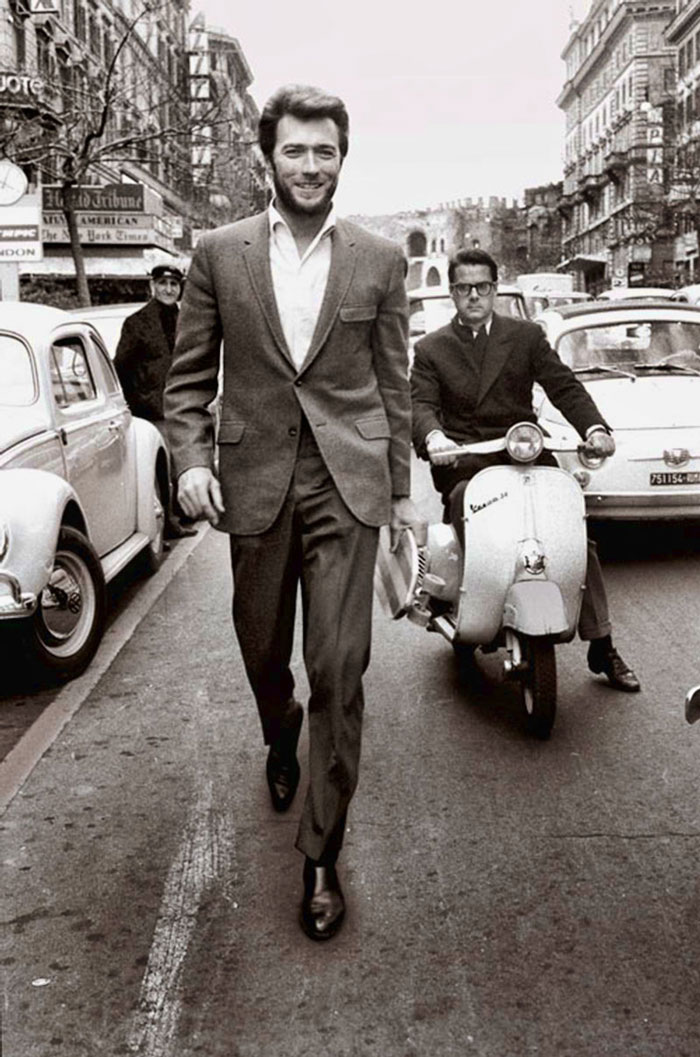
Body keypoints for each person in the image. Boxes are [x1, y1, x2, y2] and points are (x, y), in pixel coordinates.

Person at [164, 84, 423, 941]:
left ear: (342, 158)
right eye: (294, 151)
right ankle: (280, 730)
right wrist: (194, 463)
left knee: (341, 668)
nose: (310, 166)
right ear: (265, 157)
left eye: (325, 152)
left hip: (347, 487)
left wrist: (401, 499)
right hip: (255, 482)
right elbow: (190, 379)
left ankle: (321, 853)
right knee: (263, 647)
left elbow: (393, 384)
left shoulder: (381, 259)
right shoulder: (218, 252)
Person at [410, 248, 640, 694]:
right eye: (463, 288)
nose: (473, 296)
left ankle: (602, 643)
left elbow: (563, 386)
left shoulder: (526, 336)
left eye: (482, 287)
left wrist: (593, 427)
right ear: (452, 293)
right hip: (468, 459)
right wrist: (435, 438)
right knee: (466, 516)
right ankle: (468, 609)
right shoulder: (432, 348)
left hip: (524, 452)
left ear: (496, 289)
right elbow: (420, 404)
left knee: (574, 533)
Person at [114, 264, 196, 539]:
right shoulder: (136, 323)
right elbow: (121, 366)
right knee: (162, 466)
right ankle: (168, 522)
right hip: (151, 408)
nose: (168, 289)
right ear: (152, 286)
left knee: (179, 464)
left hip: (181, 404)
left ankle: (179, 515)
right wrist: (137, 400)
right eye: (163, 283)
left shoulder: (187, 319)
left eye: (174, 284)